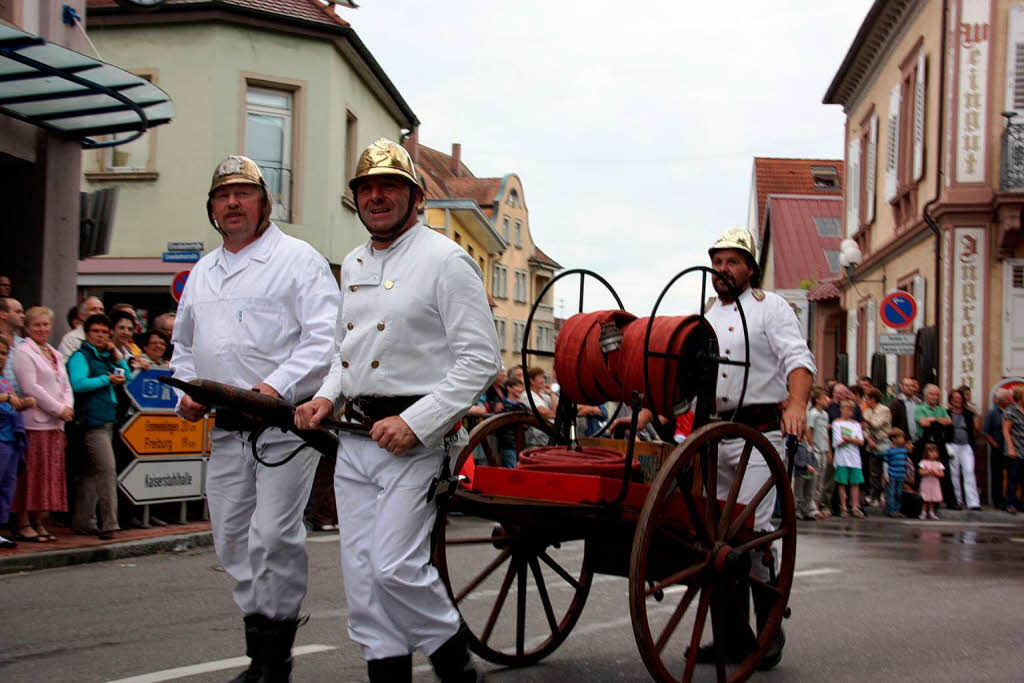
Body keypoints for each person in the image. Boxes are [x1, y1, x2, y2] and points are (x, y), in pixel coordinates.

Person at [294, 139, 499, 683]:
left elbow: (481, 359)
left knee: (395, 567)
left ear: (416, 196)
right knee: (363, 579)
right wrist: (325, 395)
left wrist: (416, 422)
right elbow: (347, 350)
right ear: (356, 198)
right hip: (355, 441)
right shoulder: (356, 261)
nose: (377, 196)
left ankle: (456, 663)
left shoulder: (446, 260)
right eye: (366, 188)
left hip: (416, 443)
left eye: (390, 186)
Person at [170, 155, 339, 682]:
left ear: (265, 204)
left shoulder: (299, 259)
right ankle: (259, 647)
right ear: (212, 208)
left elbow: (324, 338)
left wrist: (272, 388)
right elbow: (183, 347)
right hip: (226, 429)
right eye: (224, 196)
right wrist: (189, 390)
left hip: (284, 426)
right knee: (230, 539)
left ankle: (274, 660)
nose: (233, 203)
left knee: (273, 534)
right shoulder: (203, 271)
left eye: (244, 194)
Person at [628, 227, 813, 667]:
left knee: (745, 537)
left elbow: (799, 359)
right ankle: (731, 636)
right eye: (717, 262)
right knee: (711, 540)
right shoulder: (706, 315)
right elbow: (687, 379)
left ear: (750, 268)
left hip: (759, 435)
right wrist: (652, 410)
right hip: (712, 438)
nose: (722, 270)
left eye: (732, 262)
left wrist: (798, 404)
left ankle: (768, 633)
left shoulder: (773, 310)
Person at [14, 306, 75, 543]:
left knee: (47, 475)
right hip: (35, 423)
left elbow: (66, 384)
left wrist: (67, 407)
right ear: (28, 328)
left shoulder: (54, 353)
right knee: (31, 474)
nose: (42, 329)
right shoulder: (23, 352)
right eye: (37, 325)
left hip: (55, 425)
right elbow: (31, 388)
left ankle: (39, 520)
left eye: (45, 324)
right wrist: (59, 409)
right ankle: (23, 522)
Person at [0, 335, 31, 548]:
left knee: (6, 486)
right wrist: (8, 399)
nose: (1, 357)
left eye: (4, 353)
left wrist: (23, 404)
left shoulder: (4, 379)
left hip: (11, 439)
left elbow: (13, 404)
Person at [914, 383, 953, 506]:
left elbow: (948, 421)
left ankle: (946, 499)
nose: (934, 397)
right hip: (924, 443)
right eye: (931, 394)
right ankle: (921, 499)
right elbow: (923, 422)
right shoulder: (920, 408)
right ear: (925, 395)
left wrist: (933, 420)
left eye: (936, 394)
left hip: (938, 442)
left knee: (943, 469)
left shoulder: (940, 409)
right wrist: (937, 420)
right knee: (921, 469)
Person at [946, 388, 980, 510]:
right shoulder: (947, 413)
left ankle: (973, 502)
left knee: (969, 471)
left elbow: (976, 431)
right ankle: (958, 500)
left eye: (959, 398)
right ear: (950, 400)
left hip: (966, 445)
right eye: (954, 398)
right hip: (952, 445)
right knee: (954, 473)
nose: (957, 401)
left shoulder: (969, 414)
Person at [832, 399, 865, 517]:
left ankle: (855, 507)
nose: (849, 412)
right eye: (847, 409)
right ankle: (844, 507)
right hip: (842, 457)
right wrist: (851, 440)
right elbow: (838, 441)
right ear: (841, 409)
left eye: (851, 410)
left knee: (855, 483)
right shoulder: (837, 423)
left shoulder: (856, 425)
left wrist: (848, 439)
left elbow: (861, 441)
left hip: (854, 458)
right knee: (842, 483)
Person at [862, 387, 892, 507]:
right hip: (871, 443)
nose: (866, 401)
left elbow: (875, 425)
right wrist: (868, 439)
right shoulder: (867, 411)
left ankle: (884, 496)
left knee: (885, 472)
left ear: (873, 399)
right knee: (873, 472)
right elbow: (863, 429)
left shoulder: (884, 410)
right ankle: (874, 496)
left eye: (867, 399)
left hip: (883, 442)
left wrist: (865, 420)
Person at [984, 389, 1012, 511]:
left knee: (1011, 476)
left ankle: (1010, 500)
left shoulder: (1011, 412)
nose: (1009, 401)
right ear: (1000, 401)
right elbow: (985, 432)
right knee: (997, 476)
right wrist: (994, 444)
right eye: (1006, 399)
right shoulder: (992, 413)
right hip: (997, 448)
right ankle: (998, 501)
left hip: (1011, 449)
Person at [806, 387, 832, 518]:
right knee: (814, 479)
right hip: (816, 449)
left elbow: (825, 434)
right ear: (817, 400)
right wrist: (812, 447)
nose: (827, 400)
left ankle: (817, 504)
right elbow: (809, 431)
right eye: (824, 397)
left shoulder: (825, 415)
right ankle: (811, 507)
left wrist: (828, 450)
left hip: (823, 449)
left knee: (821, 479)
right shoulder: (813, 413)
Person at [1002, 387, 1024, 515]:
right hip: (1015, 449)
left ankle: (1021, 504)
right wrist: (1010, 447)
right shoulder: (1011, 411)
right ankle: (1010, 504)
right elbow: (1006, 430)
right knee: (1013, 478)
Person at [0, 297, 26, 395]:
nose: (23, 316)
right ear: (3, 314)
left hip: (21, 405)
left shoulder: (24, 344)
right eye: (18, 312)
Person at [110, 309, 148, 375]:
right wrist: (132, 368)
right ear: (112, 330)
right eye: (121, 328)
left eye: (130, 329)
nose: (126, 332)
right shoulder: (106, 353)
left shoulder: (131, 356)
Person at [882, 428, 910, 517]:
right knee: (891, 493)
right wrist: (886, 475)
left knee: (898, 493)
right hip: (892, 475)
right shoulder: (889, 451)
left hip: (900, 475)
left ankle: (897, 509)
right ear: (893, 439)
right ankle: (890, 509)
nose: (903, 440)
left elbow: (905, 463)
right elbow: (885, 463)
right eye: (900, 437)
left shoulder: (904, 451)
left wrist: (907, 473)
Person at [889, 376, 921, 444]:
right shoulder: (896, 403)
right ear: (901, 387)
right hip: (903, 441)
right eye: (907, 386)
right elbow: (893, 423)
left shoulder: (919, 402)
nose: (910, 388)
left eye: (912, 386)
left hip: (918, 440)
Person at [918, 442, 945, 520]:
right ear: (926, 453)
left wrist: (936, 473)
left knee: (932, 499)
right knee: (925, 499)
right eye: (931, 452)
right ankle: (923, 512)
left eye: (935, 452)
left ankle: (931, 512)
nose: (933, 454)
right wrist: (927, 472)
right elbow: (920, 471)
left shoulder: (938, 463)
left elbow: (942, 474)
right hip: (926, 483)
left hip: (934, 483)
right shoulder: (923, 462)